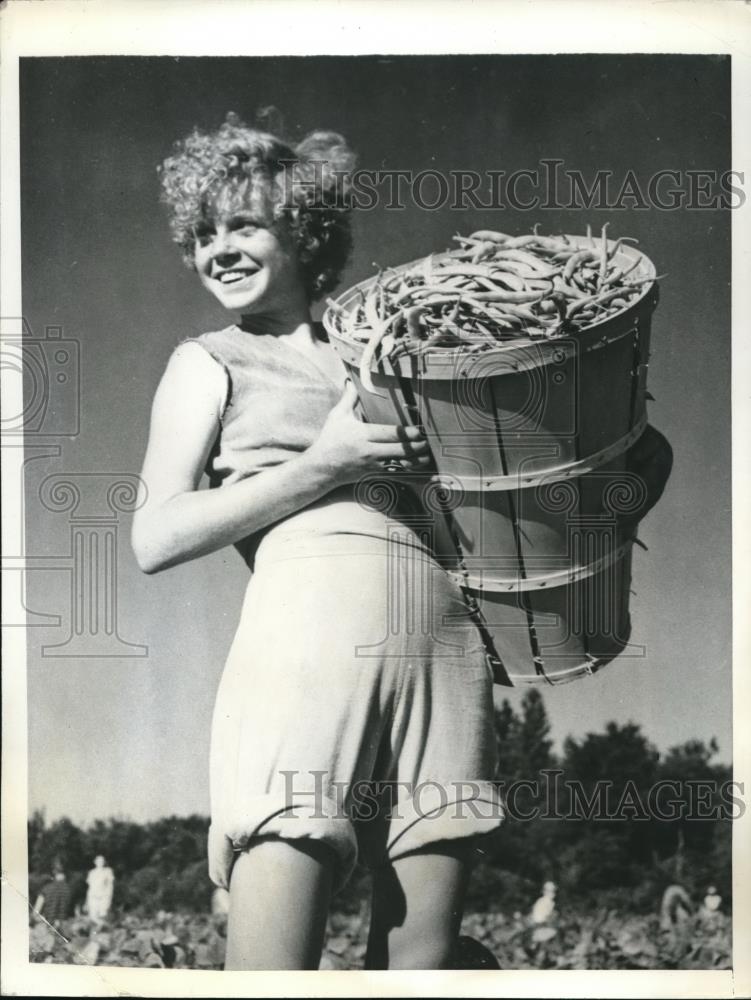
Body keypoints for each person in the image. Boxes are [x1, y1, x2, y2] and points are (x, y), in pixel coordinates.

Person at [132, 111, 503, 971]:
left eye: (244, 224)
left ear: (303, 232)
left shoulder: (386, 355)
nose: (217, 249)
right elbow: (154, 535)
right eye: (203, 233)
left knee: (423, 962)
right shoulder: (211, 360)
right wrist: (320, 466)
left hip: (444, 643)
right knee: (274, 952)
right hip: (308, 632)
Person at [34, 860, 72, 927]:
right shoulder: (70, 890)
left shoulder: (46, 889)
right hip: (64, 930)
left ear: (53, 871)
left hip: (48, 929)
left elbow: (35, 913)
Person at [85, 855, 114, 924]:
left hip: (103, 896)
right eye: (98, 861)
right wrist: (86, 901)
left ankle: (104, 929)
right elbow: (90, 887)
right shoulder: (91, 872)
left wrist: (109, 898)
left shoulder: (108, 871)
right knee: (92, 916)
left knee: (103, 915)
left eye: (102, 861)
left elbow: (110, 886)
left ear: (104, 862)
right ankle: (101, 928)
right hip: (93, 896)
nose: (100, 863)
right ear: (95, 862)